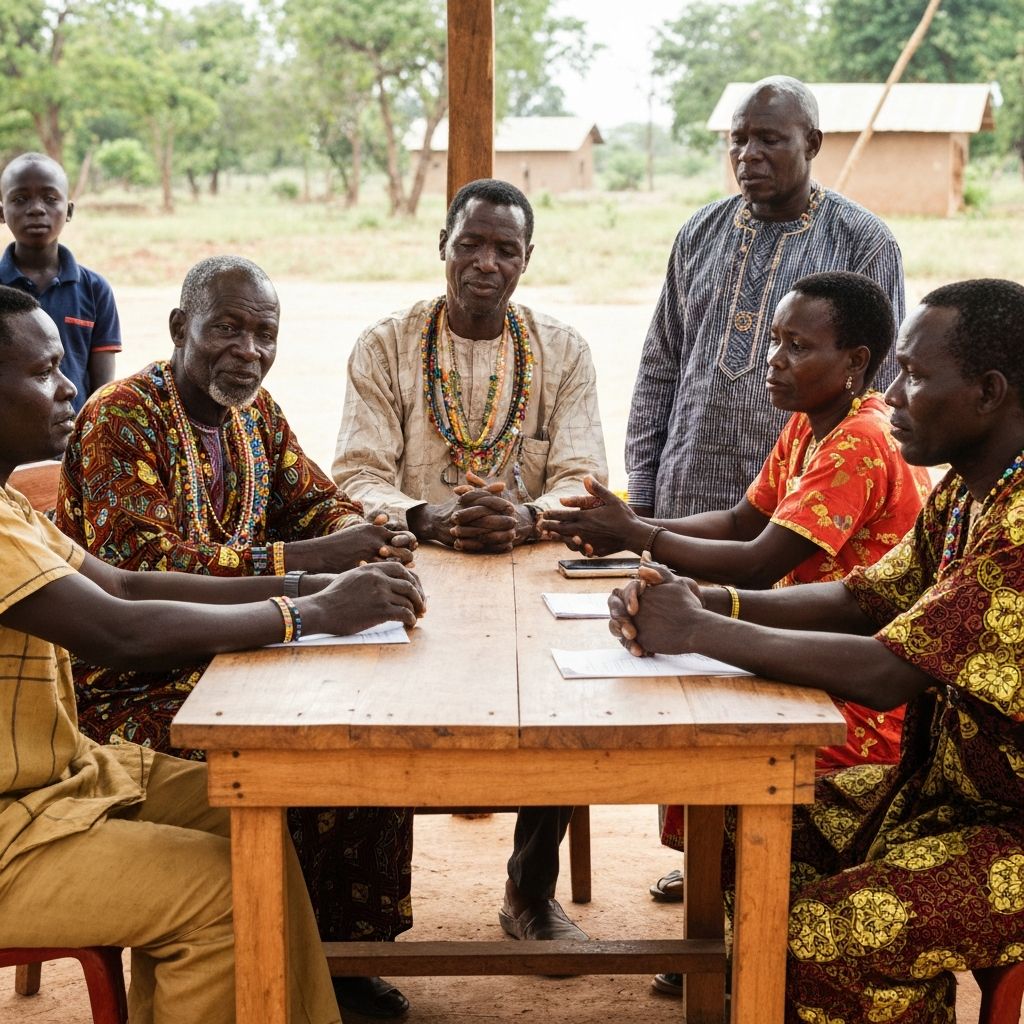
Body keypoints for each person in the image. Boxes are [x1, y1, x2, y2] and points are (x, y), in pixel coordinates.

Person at [0, 284, 424, 1023]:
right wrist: (308, 610)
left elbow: (126, 583)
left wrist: (316, 579)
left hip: (64, 775)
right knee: (225, 889)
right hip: (22, 813)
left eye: (264, 332)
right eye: (42, 373)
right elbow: (119, 633)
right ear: (182, 329)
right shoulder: (119, 419)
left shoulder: (7, 506)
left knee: (259, 814)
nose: (69, 382)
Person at [608, 278, 1024, 1023]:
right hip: (947, 799)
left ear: (990, 392)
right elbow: (860, 599)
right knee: (755, 816)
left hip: (1009, 831)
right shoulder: (970, 494)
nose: (892, 394)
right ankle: (767, 999)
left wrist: (700, 631)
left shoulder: (1019, 529)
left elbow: (885, 670)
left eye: (917, 376)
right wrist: (708, 601)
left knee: (823, 935)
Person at [333, 178, 608, 943]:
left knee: (560, 691)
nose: (486, 262)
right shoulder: (386, 344)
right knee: (367, 704)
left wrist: (525, 517)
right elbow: (355, 475)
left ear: (526, 260)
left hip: (529, 568)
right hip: (411, 566)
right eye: (471, 245)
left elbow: (583, 481)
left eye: (505, 249)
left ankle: (530, 888)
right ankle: (368, 926)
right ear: (443, 248)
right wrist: (428, 516)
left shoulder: (562, 350)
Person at [626, 76, 905, 522]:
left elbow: (878, 382)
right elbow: (660, 365)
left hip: (802, 504)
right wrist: (641, 493)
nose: (747, 154)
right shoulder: (699, 231)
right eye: (738, 140)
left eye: (769, 139)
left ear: (812, 143)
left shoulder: (862, 241)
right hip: (681, 494)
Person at [0, 152, 121, 411]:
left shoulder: (95, 289)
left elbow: (102, 389)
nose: (36, 208)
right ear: (2, 212)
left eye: (50, 198)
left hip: (73, 436)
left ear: (68, 210)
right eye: (20, 199)